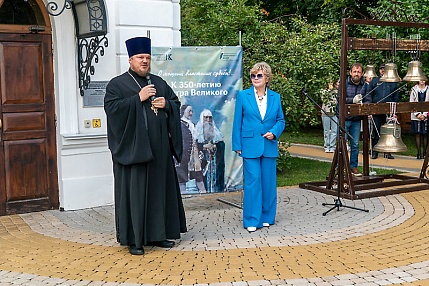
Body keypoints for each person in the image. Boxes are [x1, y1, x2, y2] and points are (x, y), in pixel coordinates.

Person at [104, 37, 187, 255]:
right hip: (134, 152)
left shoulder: (158, 82)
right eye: (140, 57)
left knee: (159, 192)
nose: (145, 61)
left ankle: (158, 235)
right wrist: (137, 98)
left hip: (158, 151)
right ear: (130, 59)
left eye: (148, 58)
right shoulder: (117, 84)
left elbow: (175, 103)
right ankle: (135, 240)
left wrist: (166, 105)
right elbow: (112, 110)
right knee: (136, 195)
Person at [232, 62, 285, 232]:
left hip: (269, 144)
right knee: (253, 183)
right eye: (253, 75)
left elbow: (280, 120)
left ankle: (268, 217)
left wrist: (274, 132)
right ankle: (252, 220)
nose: (255, 78)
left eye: (259, 75)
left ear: (267, 78)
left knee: (268, 183)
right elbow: (237, 122)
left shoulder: (275, 97)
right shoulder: (243, 95)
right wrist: (237, 145)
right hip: (249, 145)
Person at [342, 63, 370, 176]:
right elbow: (340, 99)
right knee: (342, 144)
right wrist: (352, 100)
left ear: (362, 73)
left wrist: (364, 105)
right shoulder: (345, 84)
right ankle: (341, 166)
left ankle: (353, 166)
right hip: (344, 119)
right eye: (354, 72)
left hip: (356, 119)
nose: (356, 74)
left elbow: (368, 99)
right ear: (350, 73)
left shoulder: (365, 86)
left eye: (358, 72)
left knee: (355, 144)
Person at [368, 63, 399, 160]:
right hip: (376, 110)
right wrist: (370, 110)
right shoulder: (374, 81)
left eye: (384, 69)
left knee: (389, 132)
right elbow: (369, 95)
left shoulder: (393, 82)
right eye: (381, 69)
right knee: (375, 131)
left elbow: (396, 97)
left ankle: (388, 152)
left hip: (389, 111)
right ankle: (374, 151)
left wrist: (394, 112)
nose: (382, 70)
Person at [176, 104, 206, 194]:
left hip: (194, 153)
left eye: (191, 111)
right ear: (183, 112)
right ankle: (182, 192)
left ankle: (203, 191)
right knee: (182, 173)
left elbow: (195, 139)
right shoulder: (180, 124)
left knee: (198, 172)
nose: (191, 113)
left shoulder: (191, 124)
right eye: (189, 111)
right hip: (184, 154)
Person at [195, 109, 225, 193]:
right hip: (203, 162)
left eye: (210, 118)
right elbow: (195, 144)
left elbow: (221, 144)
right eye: (206, 118)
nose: (208, 120)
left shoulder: (216, 132)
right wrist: (203, 146)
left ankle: (217, 190)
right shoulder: (197, 131)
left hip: (214, 163)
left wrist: (215, 146)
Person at [409, 80, 429, 159]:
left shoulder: (428, 89)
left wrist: (424, 115)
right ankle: (419, 153)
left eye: (423, 79)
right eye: (420, 79)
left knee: (425, 134)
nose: (422, 81)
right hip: (415, 115)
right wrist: (417, 114)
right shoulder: (414, 89)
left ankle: (424, 153)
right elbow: (411, 103)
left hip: (425, 115)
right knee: (417, 133)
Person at [321, 80, 339, 153]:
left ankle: (332, 146)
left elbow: (336, 101)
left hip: (334, 113)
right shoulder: (324, 91)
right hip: (325, 113)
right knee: (326, 131)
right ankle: (327, 145)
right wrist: (329, 90)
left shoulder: (336, 92)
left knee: (334, 130)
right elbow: (323, 99)